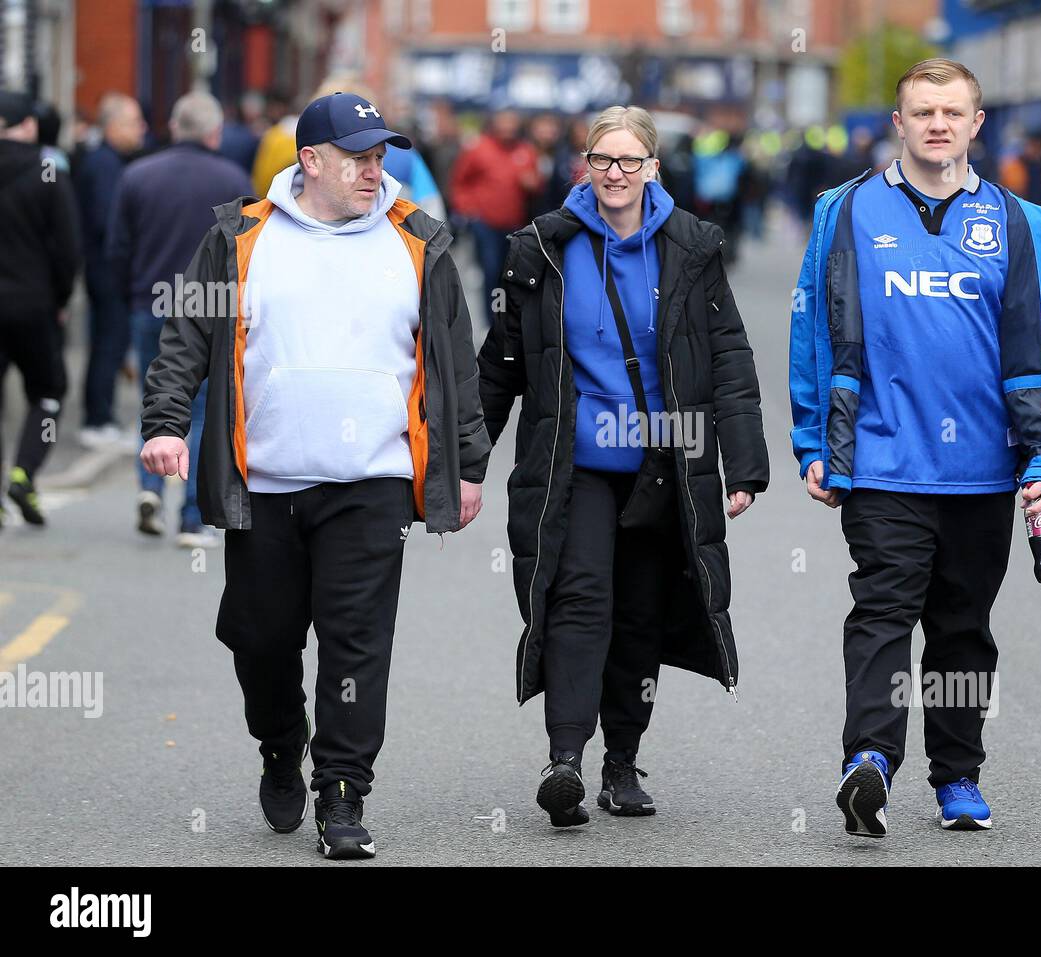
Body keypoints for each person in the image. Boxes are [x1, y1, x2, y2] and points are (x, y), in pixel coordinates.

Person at [139, 92, 490, 859]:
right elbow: (185, 337)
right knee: (259, 638)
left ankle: (342, 791)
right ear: (310, 162)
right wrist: (166, 422)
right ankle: (279, 741)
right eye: (358, 157)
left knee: (356, 642)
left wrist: (467, 466)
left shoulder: (418, 239)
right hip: (264, 484)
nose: (374, 170)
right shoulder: (239, 236)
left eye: (380, 156)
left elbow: (454, 363)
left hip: (372, 482)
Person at [789, 58, 1041, 837]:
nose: (938, 125)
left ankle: (957, 777)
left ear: (977, 124)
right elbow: (812, 325)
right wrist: (811, 437)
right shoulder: (843, 211)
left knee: (961, 628)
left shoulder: (1024, 223)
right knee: (881, 610)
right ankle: (871, 760)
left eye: (953, 112)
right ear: (899, 122)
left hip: (985, 469)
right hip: (882, 460)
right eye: (923, 112)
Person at [476, 105, 769, 828]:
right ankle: (566, 760)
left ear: (653, 169)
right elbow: (501, 364)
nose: (614, 173)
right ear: (584, 166)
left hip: (660, 461)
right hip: (574, 460)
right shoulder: (542, 249)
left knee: (640, 613)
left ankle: (621, 763)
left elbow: (728, 355)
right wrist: (461, 463)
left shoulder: (691, 247)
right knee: (579, 599)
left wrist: (745, 465)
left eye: (629, 161)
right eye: (602, 160)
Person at [107, 91, 252, 547]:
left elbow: (116, 249)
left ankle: (149, 488)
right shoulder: (233, 178)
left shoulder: (137, 175)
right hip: (212, 307)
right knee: (207, 411)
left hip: (151, 301)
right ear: (214, 133)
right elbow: (246, 253)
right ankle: (192, 516)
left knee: (156, 397)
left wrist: (131, 293)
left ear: (173, 127)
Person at [0, 91, 81, 530]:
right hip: (34, 305)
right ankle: (23, 473)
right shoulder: (47, 170)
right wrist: (62, 298)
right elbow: (68, 248)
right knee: (48, 392)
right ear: (28, 126)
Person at [75, 92, 146, 448]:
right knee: (109, 342)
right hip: (106, 271)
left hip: (106, 269)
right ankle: (97, 418)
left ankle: (101, 416)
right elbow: (108, 221)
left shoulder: (109, 161)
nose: (142, 129)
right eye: (134, 122)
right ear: (114, 125)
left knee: (110, 342)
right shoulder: (105, 165)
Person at [449, 108, 541, 324]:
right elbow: (459, 182)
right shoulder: (479, 148)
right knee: (491, 270)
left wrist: (532, 183)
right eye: (503, 122)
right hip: (486, 224)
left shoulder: (525, 151)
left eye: (512, 123)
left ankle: (509, 316)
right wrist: (468, 209)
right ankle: (493, 319)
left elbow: (537, 184)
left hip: (515, 225)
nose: (508, 128)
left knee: (510, 273)